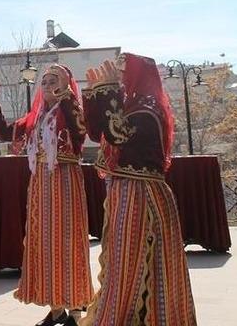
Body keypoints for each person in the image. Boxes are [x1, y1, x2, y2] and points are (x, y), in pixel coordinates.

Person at [80, 54, 197, 325]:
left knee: (140, 264)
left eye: (123, 70)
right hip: (127, 193)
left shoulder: (148, 109)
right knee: (123, 263)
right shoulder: (132, 105)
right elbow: (98, 132)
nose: (119, 75)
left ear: (138, 74)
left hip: (142, 196)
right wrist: (95, 93)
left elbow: (118, 134)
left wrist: (107, 92)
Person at [0, 65, 92, 326]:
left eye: (54, 79)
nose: (46, 83)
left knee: (68, 240)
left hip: (65, 179)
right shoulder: (34, 118)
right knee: (44, 243)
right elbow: (3, 132)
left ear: (66, 83)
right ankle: (56, 308)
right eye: (44, 80)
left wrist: (66, 94)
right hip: (41, 182)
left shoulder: (71, 111)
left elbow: (80, 131)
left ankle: (75, 308)